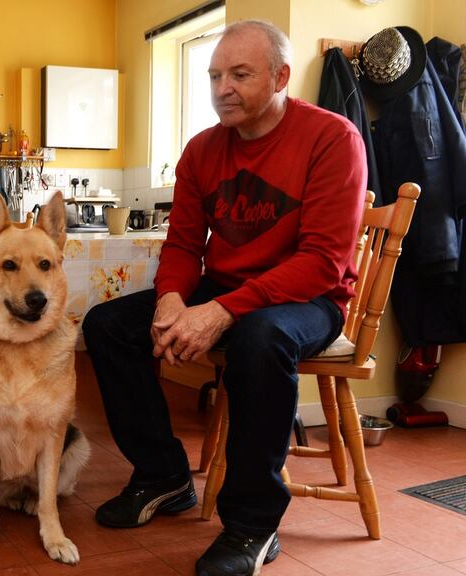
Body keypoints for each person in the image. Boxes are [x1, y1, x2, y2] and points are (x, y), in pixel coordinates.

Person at [82, 20, 366, 576]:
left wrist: (222, 310)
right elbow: (185, 243)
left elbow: (323, 262)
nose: (222, 88)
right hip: (230, 289)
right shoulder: (202, 150)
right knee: (108, 325)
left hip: (312, 297)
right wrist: (170, 300)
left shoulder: (333, 139)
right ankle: (163, 476)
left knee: (260, 339)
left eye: (240, 74)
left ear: (281, 76)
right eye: (215, 76)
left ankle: (253, 525)